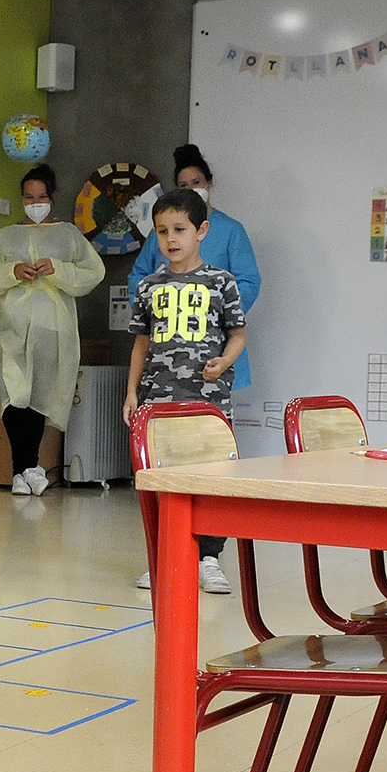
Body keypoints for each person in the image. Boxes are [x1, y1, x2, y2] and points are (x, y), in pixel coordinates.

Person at [123, 187, 245, 596]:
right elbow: (141, 343)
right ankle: (163, 556)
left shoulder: (221, 282)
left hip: (207, 402)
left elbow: (238, 335)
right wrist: (131, 393)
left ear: (202, 230)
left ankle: (209, 558)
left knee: (210, 480)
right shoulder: (149, 286)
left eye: (179, 229)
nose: (170, 239)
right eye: (161, 231)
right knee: (160, 478)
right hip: (159, 401)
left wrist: (224, 362)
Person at [0, 163, 105, 495]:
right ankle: (27, 469)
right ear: (22, 198)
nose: (35, 203)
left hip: (52, 330)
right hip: (8, 327)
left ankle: (23, 472)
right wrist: (12, 271)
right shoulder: (4, 237)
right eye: (29, 197)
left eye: (41, 197)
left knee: (36, 396)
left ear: (52, 197)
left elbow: (93, 272)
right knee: (13, 395)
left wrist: (58, 268)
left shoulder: (68, 235)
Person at [129, 143, 261, 390]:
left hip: (213, 342)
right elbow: (138, 276)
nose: (172, 237)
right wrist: (155, 309)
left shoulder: (231, 230)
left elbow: (249, 282)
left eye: (197, 183)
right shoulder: (160, 236)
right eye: (184, 186)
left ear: (209, 183)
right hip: (165, 354)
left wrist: (211, 310)